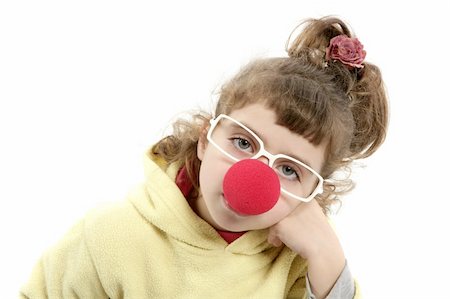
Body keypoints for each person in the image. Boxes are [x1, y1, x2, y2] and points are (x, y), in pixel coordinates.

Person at [20, 16, 388, 299]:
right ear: (205, 140)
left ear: (313, 195)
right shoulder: (112, 234)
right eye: (243, 143)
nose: (253, 180)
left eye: (290, 170)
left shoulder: (301, 264)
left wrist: (328, 260)